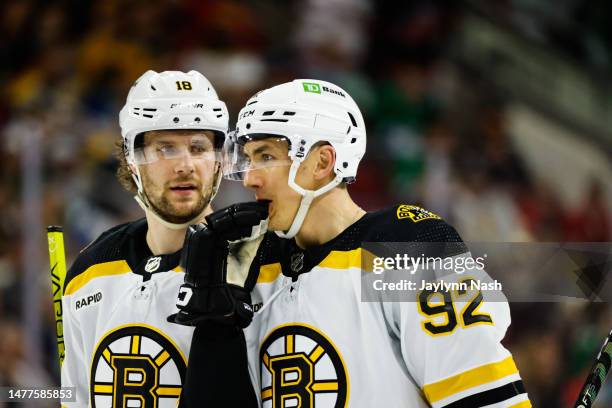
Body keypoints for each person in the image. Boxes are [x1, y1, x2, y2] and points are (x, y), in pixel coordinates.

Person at [177, 79, 532, 407]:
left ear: (322, 162)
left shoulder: (405, 244)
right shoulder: (252, 262)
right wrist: (215, 325)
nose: (251, 178)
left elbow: (484, 397)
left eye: (266, 156)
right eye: (249, 159)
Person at [61, 70, 231, 407]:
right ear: (131, 160)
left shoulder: (261, 258)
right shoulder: (89, 271)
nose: (185, 165)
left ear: (218, 160)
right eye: (165, 148)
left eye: (198, 147)